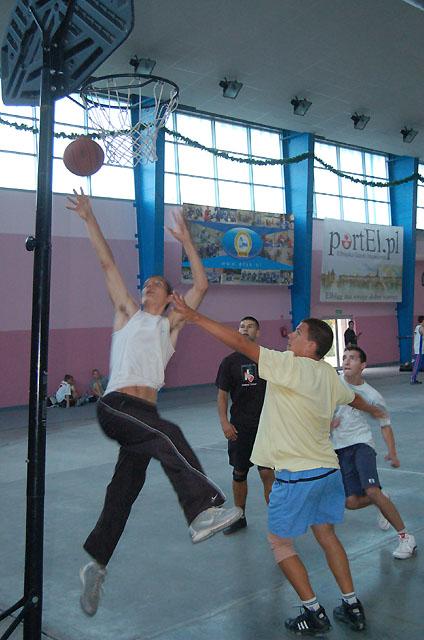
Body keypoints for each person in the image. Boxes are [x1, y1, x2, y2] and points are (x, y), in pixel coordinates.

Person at [66, 189, 242, 617]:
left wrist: (186, 243)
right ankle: (202, 512)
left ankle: (96, 565)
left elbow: (200, 284)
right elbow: (108, 264)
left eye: (157, 285)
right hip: (116, 405)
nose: (148, 287)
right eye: (146, 283)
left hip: (143, 415)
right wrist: (90, 218)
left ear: (167, 298)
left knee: (124, 490)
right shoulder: (128, 314)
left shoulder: (170, 326)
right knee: (172, 434)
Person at [171, 293, 387, 636]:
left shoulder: (288, 366)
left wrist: (194, 317)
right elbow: (354, 397)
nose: (291, 335)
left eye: (297, 332)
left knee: (281, 543)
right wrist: (374, 410)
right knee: (327, 536)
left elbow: (241, 343)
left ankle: (313, 612)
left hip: (297, 476)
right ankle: (351, 605)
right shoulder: (328, 375)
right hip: (327, 473)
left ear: (311, 344)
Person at [331, 346, 416, 560]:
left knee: (370, 489)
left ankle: (406, 537)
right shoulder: (333, 383)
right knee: (350, 502)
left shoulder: (372, 395)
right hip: (339, 448)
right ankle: (382, 499)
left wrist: (392, 452)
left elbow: (384, 424)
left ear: (363, 366)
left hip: (361, 445)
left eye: (352, 358)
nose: (347, 361)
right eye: (344, 357)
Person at [216, 316, 274, 534]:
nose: (244, 329)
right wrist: (224, 422)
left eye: (250, 326)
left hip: (266, 426)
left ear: (257, 332)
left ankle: (276, 520)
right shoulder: (229, 362)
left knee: (267, 473)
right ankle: (239, 517)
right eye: (241, 325)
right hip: (240, 427)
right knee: (239, 472)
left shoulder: (267, 358)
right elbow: (222, 396)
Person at [410, 315, 424, 384]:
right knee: (417, 365)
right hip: (419, 350)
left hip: (421, 350)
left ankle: (414, 378)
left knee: (420, 365)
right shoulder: (420, 328)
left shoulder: (417, 327)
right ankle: (413, 379)